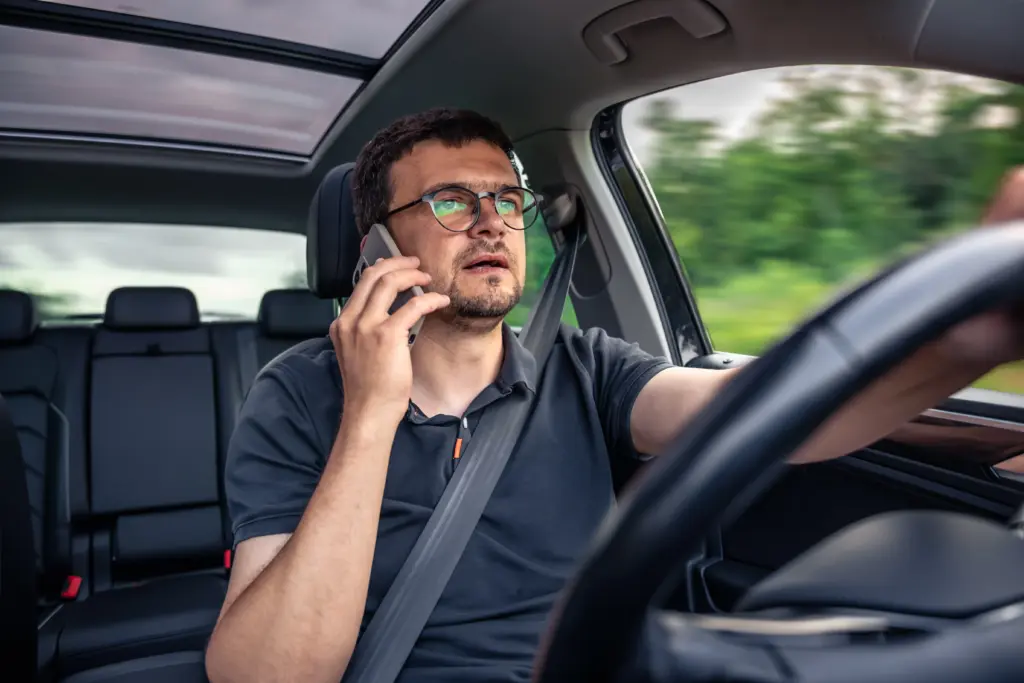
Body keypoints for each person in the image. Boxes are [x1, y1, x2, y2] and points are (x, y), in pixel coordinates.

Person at [204, 108, 1024, 683]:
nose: (491, 222)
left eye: (506, 199)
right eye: (450, 200)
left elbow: (759, 413)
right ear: (377, 244)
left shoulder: (586, 365)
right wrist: (372, 411)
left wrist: (966, 337)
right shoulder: (298, 395)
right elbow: (270, 673)